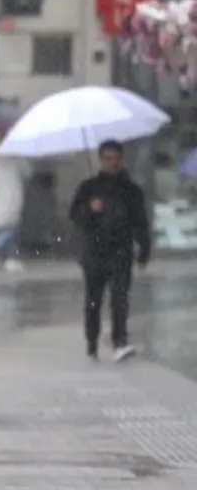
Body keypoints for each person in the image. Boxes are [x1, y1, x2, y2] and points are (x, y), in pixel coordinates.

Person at [70, 139, 152, 362]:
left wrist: (144, 248)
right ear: (101, 160)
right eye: (108, 159)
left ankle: (120, 341)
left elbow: (141, 221)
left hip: (121, 251)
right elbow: (75, 217)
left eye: (116, 158)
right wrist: (90, 209)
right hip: (95, 252)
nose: (112, 163)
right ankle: (92, 341)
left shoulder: (131, 190)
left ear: (122, 160)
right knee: (93, 300)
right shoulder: (88, 188)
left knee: (120, 298)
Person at [0, 150, 31, 271]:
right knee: (11, 226)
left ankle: (11, 259)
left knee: (4, 225)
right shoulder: (18, 158)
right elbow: (28, 172)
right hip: (12, 193)